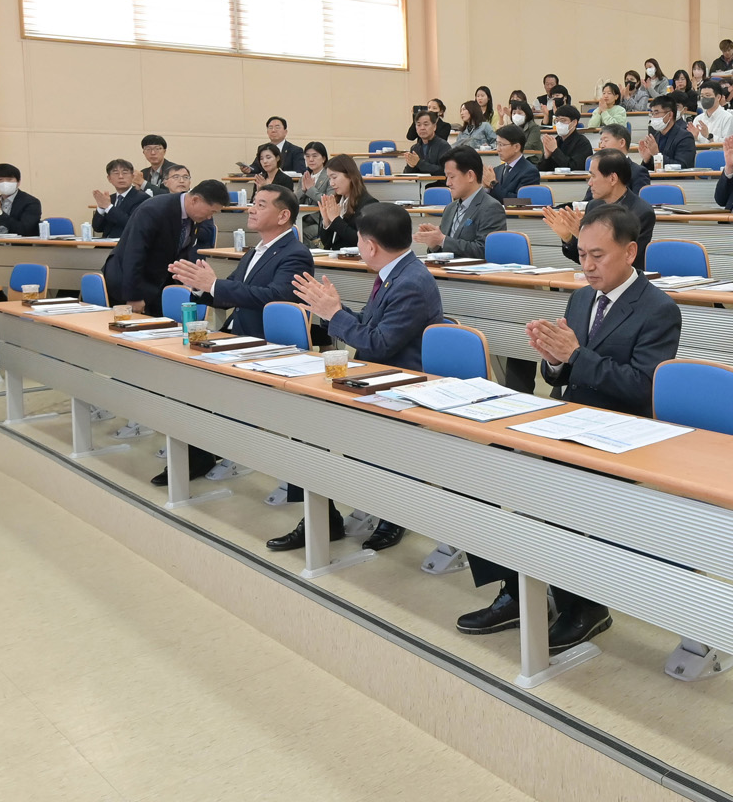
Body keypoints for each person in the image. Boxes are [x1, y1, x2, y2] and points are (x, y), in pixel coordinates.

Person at [458, 206, 680, 653]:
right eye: (582, 255)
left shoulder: (658, 309)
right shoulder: (581, 298)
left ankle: (585, 606)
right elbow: (562, 373)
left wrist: (575, 356)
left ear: (630, 252)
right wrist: (554, 361)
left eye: (599, 255)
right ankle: (517, 589)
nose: (588, 265)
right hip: (569, 419)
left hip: (622, 431)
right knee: (486, 464)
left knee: (558, 493)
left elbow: (643, 386)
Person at [287, 203, 443, 554]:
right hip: (377, 375)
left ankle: (392, 513)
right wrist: (334, 310)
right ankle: (322, 516)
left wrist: (333, 314)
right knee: (305, 419)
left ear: (370, 246)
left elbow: (379, 343)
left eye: (358, 239)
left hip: (403, 385)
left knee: (321, 423)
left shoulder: (411, 282)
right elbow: (371, 327)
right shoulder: (395, 271)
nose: (357, 246)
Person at [164, 184, 314, 485]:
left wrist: (214, 284)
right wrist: (200, 287)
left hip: (268, 344)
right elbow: (229, 294)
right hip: (238, 338)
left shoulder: (296, 253)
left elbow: (274, 297)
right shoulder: (255, 250)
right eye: (253, 203)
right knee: (187, 377)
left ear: (283, 216)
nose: (251, 209)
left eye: (261, 205)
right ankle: (200, 456)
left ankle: (223, 453)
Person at [102, 178, 227, 319]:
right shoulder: (153, 210)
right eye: (211, 212)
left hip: (157, 281)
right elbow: (134, 254)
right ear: (195, 200)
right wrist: (134, 296)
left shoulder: (193, 216)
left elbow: (179, 250)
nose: (210, 217)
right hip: (128, 283)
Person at [545, 150, 655, 268]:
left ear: (612, 179)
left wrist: (585, 237)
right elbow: (584, 259)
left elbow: (628, 261)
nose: (589, 183)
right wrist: (568, 238)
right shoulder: (593, 206)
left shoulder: (641, 212)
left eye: (593, 176)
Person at [411, 147, 507, 259]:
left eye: (452, 177)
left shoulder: (491, 207)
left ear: (470, 176)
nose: (448, 183)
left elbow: (485, 250)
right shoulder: (450, 208)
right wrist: (434, 245)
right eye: (447, 177)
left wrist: (442, 240)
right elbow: (445, 250)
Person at [318, 154, 375, 251]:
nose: (331, 183)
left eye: (334, 177)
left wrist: (336, 220)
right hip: (333, 257)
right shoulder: (336, 202)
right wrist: (327, 222)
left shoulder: (368, 204)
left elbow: (361, 241)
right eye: (329, 178)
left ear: (350, 176)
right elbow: (326, 244)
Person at [481, 124, 542, 203]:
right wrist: (486, 188)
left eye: (501, 145)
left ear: (516, 147)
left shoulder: (530, 172)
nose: (498, 149)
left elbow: (520, 202)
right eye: (497, 144)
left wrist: (493, 184)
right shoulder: (497, 170)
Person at [0, 164, 42, 236]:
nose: (5, 183)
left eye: (9, 179)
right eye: (0, 180)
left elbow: (25, 230)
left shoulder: (31, 202)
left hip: (20, 242)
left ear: (18, 182)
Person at [91, 159, 146, 238]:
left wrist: (109, 207)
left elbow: (132, 224)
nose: (120, 177)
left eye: (125, 173)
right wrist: (101, 208)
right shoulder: (110, 199)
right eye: (116, 173)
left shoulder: (142, 198)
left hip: (126, 244)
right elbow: (97, 228)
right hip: (105, 244)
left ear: (132, 177)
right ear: (109, 178)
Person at [639, 95, 695, 169]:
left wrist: (657, 155)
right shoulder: (655, 137)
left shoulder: (685, 138)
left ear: (670, 115)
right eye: (652, 113)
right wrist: (646, 160)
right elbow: (648, 171)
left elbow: (682, 166)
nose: (653, 117)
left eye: (656, 113)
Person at [592, 124, 650, 193]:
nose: (602, 146)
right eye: (601, 141)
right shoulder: (598, 169)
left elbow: (639, 198)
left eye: (606, 140)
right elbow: (590, 197)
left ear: (622, 142)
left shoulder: (637, 172)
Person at [295, 142, 331, 246]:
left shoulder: (329, 177)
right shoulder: (305, 177)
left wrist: (311, 189)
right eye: (307, 156)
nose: (311, 159)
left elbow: (328, 201)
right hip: (303, 218)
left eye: (315, 156)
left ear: (323, 158)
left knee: (301, 232)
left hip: (320, 220)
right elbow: (295, 200)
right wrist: (303, 190)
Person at [240, 117, 304, 175]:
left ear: (285, 132)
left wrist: (278, 174)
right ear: (267, 132)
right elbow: (256, 167)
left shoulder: (295, 150)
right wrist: (249, 169)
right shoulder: (262, 148)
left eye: (277, 127)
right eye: (270, 127)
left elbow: (300, 171)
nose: (273, 130)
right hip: (266, 183)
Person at [538, 105, 593, 172]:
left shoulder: (583, 143)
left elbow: (574, 167)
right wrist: (547, 156)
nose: (559, 124)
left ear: (574, 122)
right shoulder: (556, 140)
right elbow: (542, 170)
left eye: (563, 120)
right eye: (557, 121)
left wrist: (555, 151)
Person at [405, 110, 453, 176]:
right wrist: (410, 166)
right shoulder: (415, 148)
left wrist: (419, 163)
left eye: (426, 124)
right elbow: (407, 175)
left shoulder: (443, 146)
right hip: (419, 182)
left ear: (434, 127)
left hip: (439, 182)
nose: (422, 128)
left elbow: (445, 170)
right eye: (418, 125)